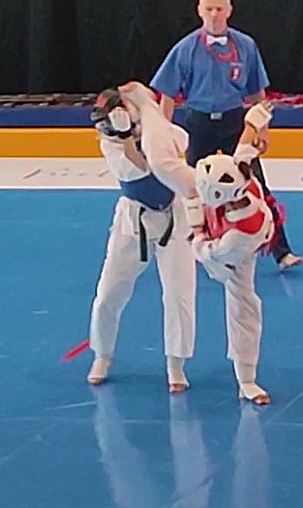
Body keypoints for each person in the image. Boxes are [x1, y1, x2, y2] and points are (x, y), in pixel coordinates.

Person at [119, 81, 278, 405]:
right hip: (215, 218)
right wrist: (259, 116)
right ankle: (147, 106)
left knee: (243, 303)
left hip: (223, 254)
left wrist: (197, 228)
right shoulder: (237, 171)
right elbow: (246, 142)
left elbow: (204, 250)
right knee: (163, 165)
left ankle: (246, 379)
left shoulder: (238, 239)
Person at [150, 0, 302, 270]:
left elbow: (257, 93)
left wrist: (262, 130)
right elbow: (167, 94)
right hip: (199, 123)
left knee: (255, 184)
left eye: (219, 9)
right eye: (209, 9)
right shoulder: (185, 48)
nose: (214, 14)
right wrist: (163, 134)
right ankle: (198, 246)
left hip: (235, 123)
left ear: (229, 11)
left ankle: (281, 251)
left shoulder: (245, 45)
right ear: (199, 11)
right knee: (194, 189)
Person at [86, 88, 196, 393]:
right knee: (109, 292)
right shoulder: (110, 143)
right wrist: (125, 138)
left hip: (174, 217)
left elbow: (174, 150)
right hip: (133, 221)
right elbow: (140, 169)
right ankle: (102, 354)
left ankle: (176, 363)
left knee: (179, 294)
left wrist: (146, 121)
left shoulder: (158, 130)